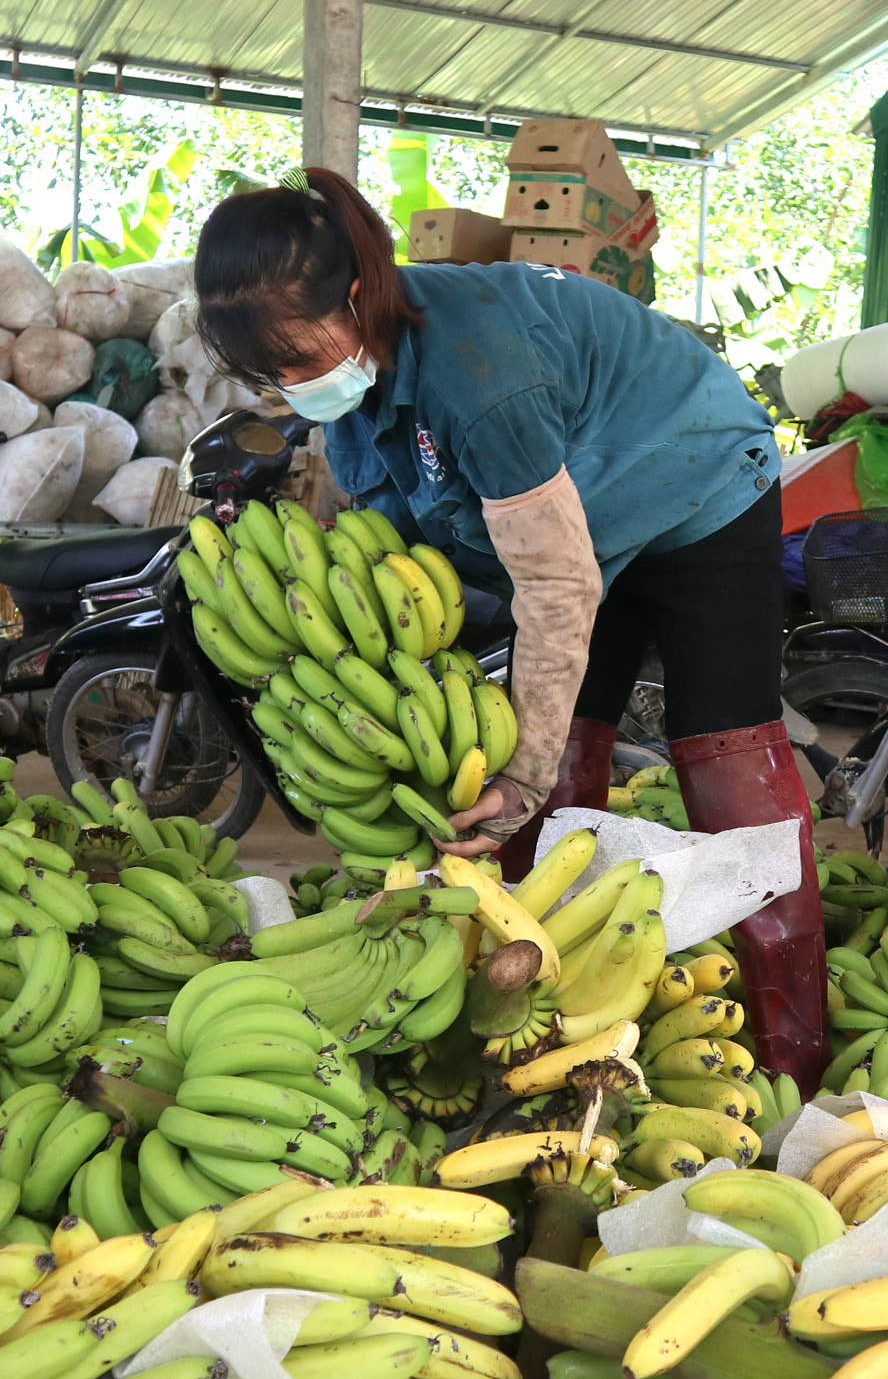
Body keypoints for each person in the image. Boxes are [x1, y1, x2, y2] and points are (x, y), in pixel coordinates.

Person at [193, 167, 824, 1088]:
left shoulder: (481, 377)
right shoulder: (355, 405)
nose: (291, 386)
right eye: (269, 374)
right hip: (583, 526)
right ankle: (523, 1007)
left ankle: (792, 1051)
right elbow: (414, 579)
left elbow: (557, 588)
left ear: (360, 295)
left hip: (694, 488)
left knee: (723, 760)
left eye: (298, 356)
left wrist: (518, 771)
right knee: (557, 762)